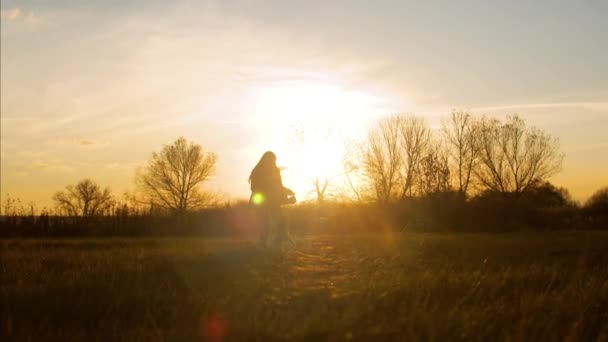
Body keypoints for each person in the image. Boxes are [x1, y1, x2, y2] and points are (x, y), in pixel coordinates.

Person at [249, 151, 296, 246]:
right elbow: (270, 188)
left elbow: (278, 187)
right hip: (264, 202)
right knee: (268, 225)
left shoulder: (270, 171)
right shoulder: (260, 172)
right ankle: (269, 246)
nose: (273, 162)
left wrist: (287, 191)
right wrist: (285, 198)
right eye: (272, 160)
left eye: (274, 160)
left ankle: (274, 245)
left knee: (275, 224)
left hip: (267, 202)